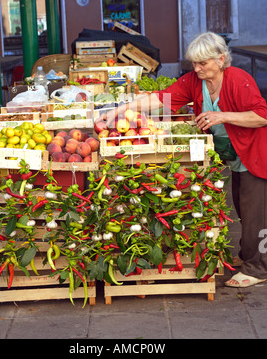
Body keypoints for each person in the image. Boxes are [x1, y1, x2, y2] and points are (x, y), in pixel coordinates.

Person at [103, 32, 267, 288]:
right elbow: (159, 98)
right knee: (241, 204)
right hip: (235, 153)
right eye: (194, 63)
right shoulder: (194, 81)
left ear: (221, 59)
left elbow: (261, 116)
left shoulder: (238, 80)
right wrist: (120, 109)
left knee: (254, 209)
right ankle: (248, 255)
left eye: (203, 63)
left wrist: (222, 116)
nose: (197, 68)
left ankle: (258, 268)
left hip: (255, 152)